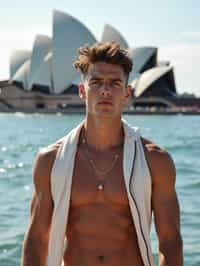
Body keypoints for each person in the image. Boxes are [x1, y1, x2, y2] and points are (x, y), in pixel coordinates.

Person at [21, 42, 183, 266]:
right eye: (96, 82)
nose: (105, 90)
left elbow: (170, 242)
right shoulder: (50, 161)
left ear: (127, 93)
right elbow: (37, 240)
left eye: (115, 83)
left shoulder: (155, 161)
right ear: (82, 91)